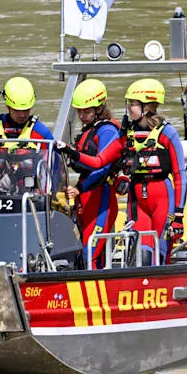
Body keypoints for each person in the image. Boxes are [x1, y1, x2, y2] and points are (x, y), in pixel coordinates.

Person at [65, 78, 186, 265]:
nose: (128, 108)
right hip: (137, 200)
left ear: (146, 107)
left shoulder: (167, 134)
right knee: (141, 255)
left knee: (160, 253)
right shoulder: (126, 135)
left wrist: (178, 215)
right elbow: (100, 161)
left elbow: (180, 176)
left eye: (133, 104)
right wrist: (71, 152)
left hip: (162, 198)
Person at [56, 79, 123, 269]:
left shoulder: (107, 131)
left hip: (100, 196)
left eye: (86, 111)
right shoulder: (88, 131)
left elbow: (102, 169)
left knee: (90, 251)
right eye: (79, 111)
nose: (82, 115)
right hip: (85, 197)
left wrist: (79, 188)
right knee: (81, 250)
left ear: (99, 108)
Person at [0, 76, 54, 196]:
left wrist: (44, 198)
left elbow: (52, 169)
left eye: (26, 110)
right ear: (8, 106)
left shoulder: (42, 133)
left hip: (32, 200)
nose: (22, 115)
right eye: (17, 110)